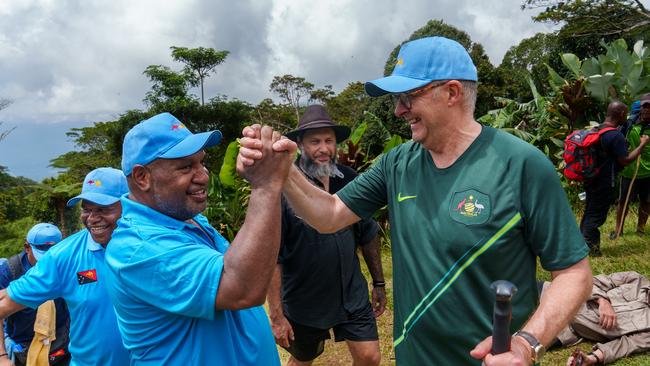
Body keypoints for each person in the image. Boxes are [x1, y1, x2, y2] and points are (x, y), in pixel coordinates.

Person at [239, 36, 593, 365]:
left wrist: (527, 341)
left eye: (408, 97)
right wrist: (283, 172)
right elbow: (329, 214)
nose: (398, 110)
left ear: (452, 92)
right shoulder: (397, 163)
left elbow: (573, 273)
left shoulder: (521, 165)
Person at [104, 112, 295, 365]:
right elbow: (242, 289)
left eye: (201, 163)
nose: (203, 176)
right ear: (142, 177)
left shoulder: (185, 219)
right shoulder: (138, 247)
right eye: (185, 166)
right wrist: (265, 186)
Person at [268, 105, 386, 366]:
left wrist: (378, 283)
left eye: (329, 141)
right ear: (299, 144)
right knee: (302, 360)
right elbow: (272, 256)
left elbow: (368, 234)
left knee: (370, 358)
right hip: (304, 301)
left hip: (351, 296)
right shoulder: (285, 190)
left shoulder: (350, 180)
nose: (323, 148)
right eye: (315, 141)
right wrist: (276, 315)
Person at [0, 167, 130, 366]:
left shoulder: (154, 243)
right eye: (87, 209)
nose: (93, 218)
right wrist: (2, 356)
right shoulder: (64, 256)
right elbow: (4, 304)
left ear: (128, 204)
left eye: (103, 209)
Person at [579, 101, 649, 256]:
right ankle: (591, 249)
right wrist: (642, 145)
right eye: (626, 113)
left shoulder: (597, 129)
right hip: (603, 181)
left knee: (590, 212)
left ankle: (582, 245)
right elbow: (625, 160)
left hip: (591, 178)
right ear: (621, 114)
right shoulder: (615, 135)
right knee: (596, 216)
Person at [0, 223, 70, 366]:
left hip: (61, 340)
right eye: (42, 255)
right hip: (23, 344)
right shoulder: (10, 271)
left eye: (53, 254)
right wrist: (2, 356)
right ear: (27, 248)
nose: (47, 262)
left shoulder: (66, 264)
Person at [554, 271, 650, 365]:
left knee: (538, 344)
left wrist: (592, 358)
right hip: (559, 294)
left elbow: (625, 346)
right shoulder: (635, 279)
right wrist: (603, 301)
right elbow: (592, 282)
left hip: (566, 330)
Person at [612, 94, 650, 239]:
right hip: (630, 170)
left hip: (648, 173)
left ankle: (640, 229)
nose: (647, 110)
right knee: (623, 201)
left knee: (647, 201)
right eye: (645, 106)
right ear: (640, 108)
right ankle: (618, 230)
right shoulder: (629, 124)